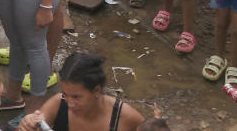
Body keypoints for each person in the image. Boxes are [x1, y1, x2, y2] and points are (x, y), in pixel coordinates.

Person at [16, 53, 145, 131]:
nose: (70, 104)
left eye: (77, 97)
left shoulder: (126, 118)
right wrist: (27, 125)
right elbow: (36, 122)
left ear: (96, 90)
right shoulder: (58, 104)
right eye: (65, 94)